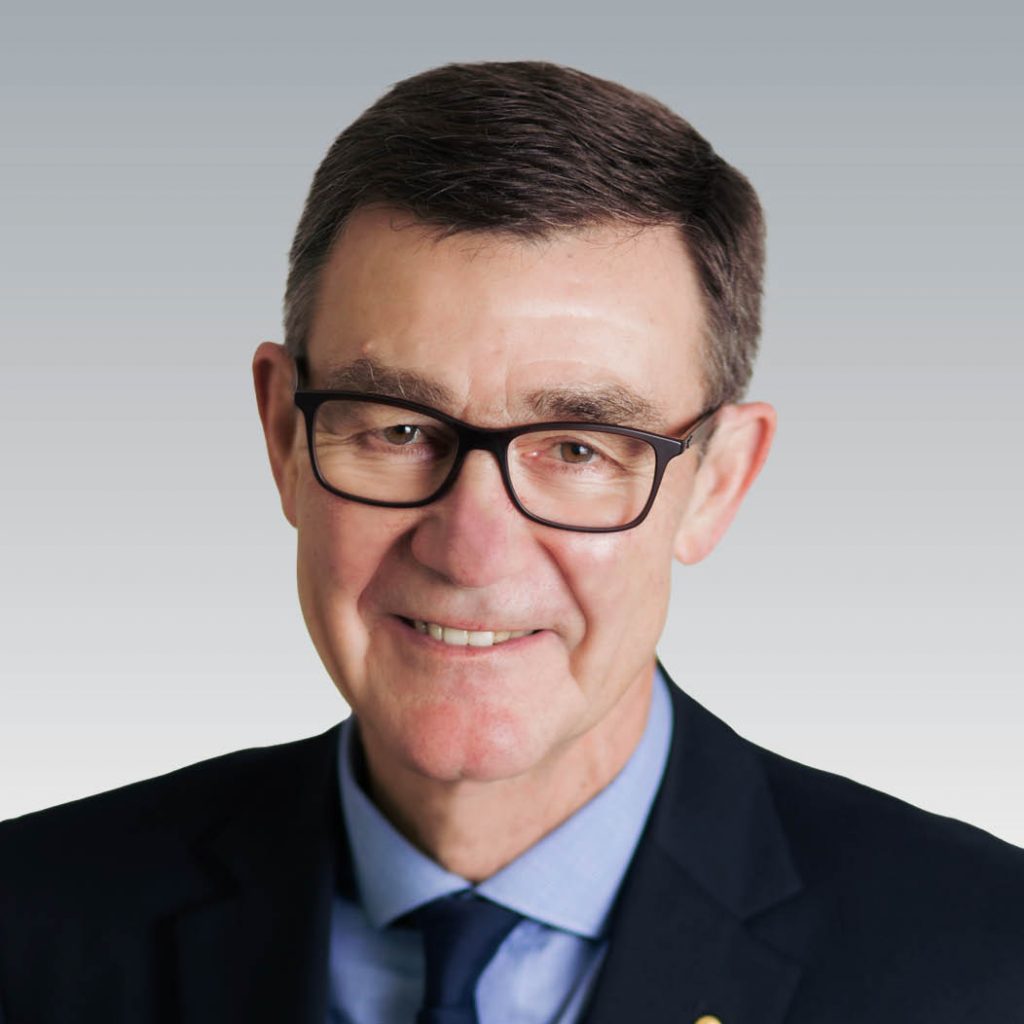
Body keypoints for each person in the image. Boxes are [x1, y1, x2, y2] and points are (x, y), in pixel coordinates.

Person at [1, 60, 1022, 1024]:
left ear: (717, 483)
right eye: (399, 430)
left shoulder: (985, 963)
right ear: (283, 437)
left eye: (579, 447)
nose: (470, 549)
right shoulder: (28, 923)